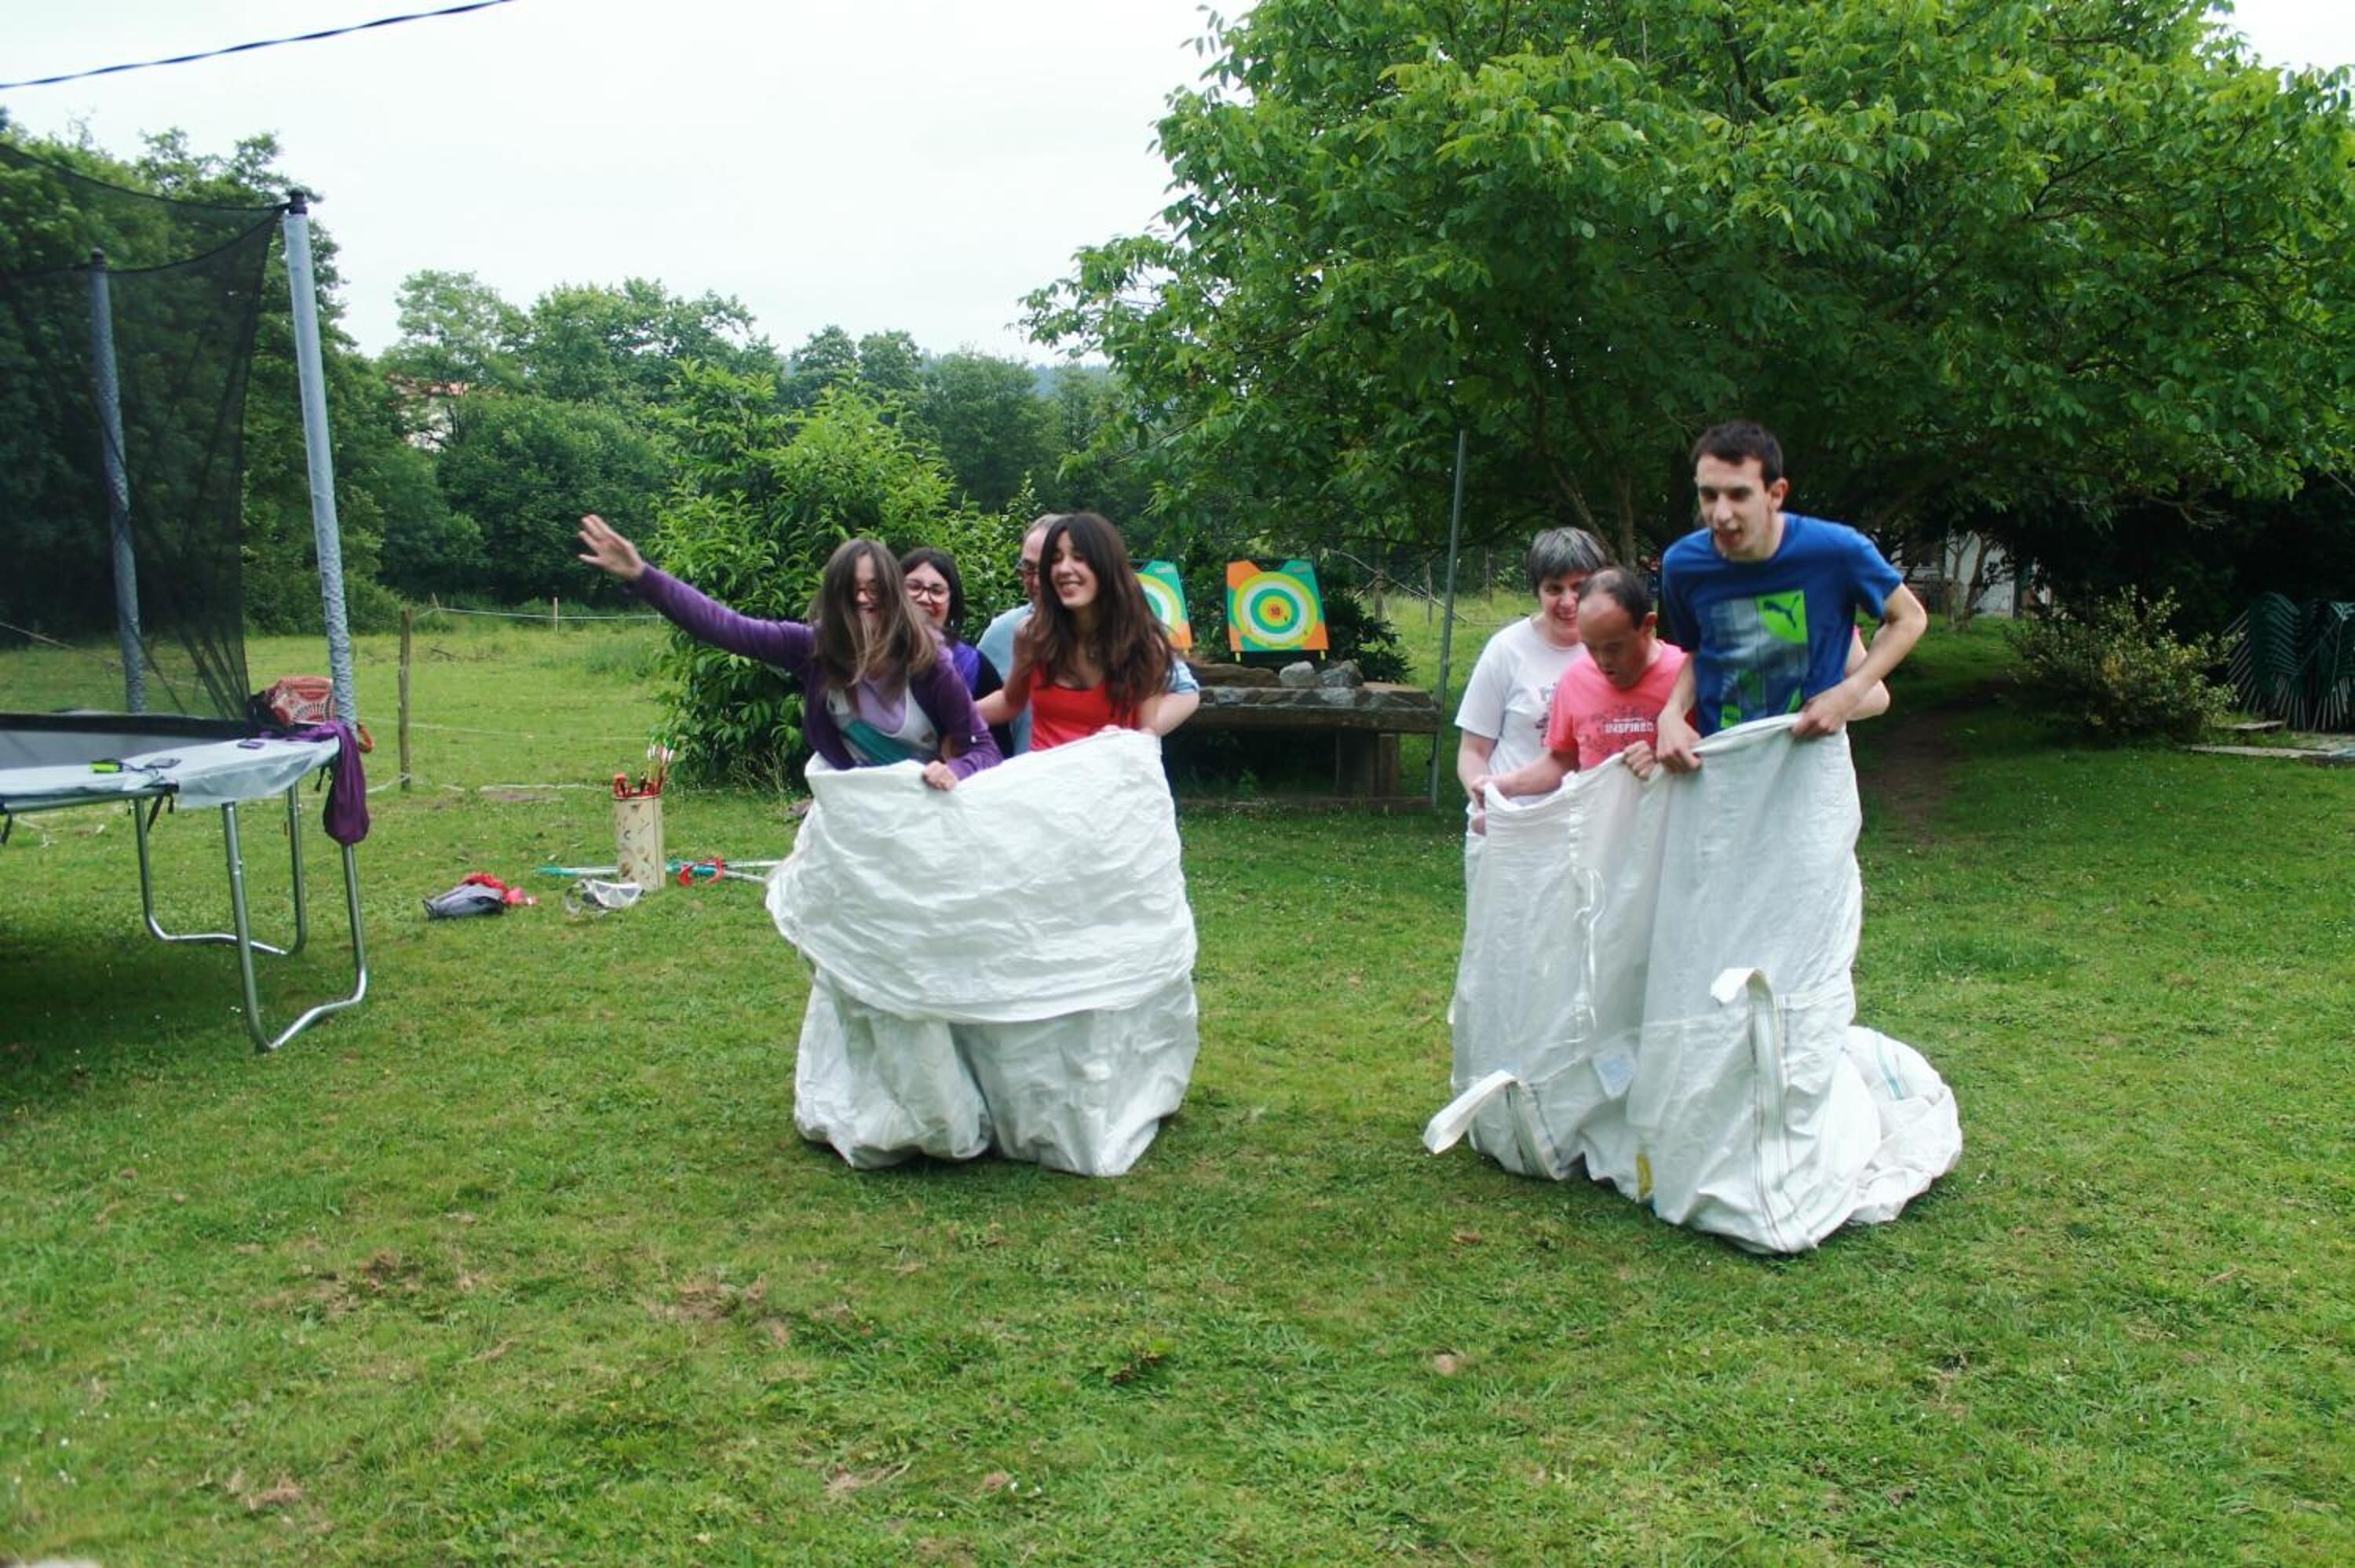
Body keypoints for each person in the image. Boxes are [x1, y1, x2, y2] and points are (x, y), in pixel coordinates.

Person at [576, 515, 999, 790]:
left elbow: (984, 750)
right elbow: (724, 626)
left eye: (875, 589)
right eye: (852, 591)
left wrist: (953, 770)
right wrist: (642, 576)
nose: (865, 600)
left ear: (893, 595)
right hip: (855, 816)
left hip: (925, 817)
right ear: (835, 599)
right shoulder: (811, 646)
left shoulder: (930, 665)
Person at [1654, 421, 1925, 772]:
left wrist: (1853, 690)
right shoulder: (1682, 565)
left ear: (1775, 494)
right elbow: (1699, 653)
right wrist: (1672, 712)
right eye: (1709, 495)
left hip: (1811, 766)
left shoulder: (1837, 551)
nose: (1720, 514)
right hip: (1723, 763)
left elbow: (1909, 617)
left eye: (1738, 495)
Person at [976, 513, 1200, 755]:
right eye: (1054, 560)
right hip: (1042, 783)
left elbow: (1150, 728)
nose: (1064, 569)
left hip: (1111, 782)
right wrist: (946, 714)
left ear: (1105, 566)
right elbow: (1011, 702)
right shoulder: (1030, 634)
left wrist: (1129, 739)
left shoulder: (1142, 644)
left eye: (1079, 558)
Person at [1453, 525, 1609, 867]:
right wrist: (1488, 800)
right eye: (1554, 589)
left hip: (1586, 833)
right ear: (1537, 591)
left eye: (1579, 588)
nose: (1568, 602)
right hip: (1511, 827)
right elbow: (1473, 751)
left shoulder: (1613, 649)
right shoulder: (1506, 649)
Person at [899, 545, 1002, 705]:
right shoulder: (870, 657)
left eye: (937, 591)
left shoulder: (973, 666)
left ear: (952, 602)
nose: (925, 598)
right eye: (914, 587)